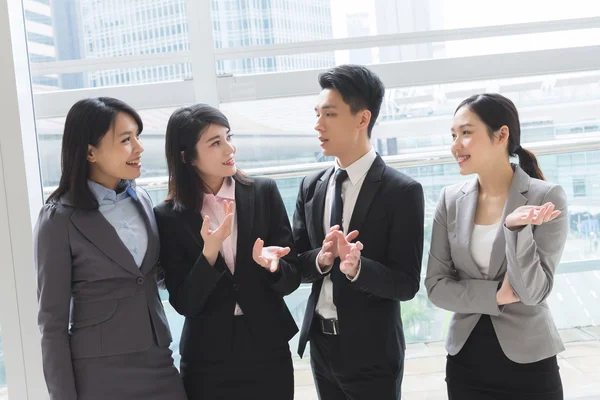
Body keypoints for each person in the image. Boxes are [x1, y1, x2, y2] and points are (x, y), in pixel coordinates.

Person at [34, 97, 186, 400]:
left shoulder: (141, 199)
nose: (139, 148)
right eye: (126, 139)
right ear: (90, 151)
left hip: (158, 363)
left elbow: (150, 276)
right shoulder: (58, 219)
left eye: (138, 137)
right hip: (99, 375)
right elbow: (51, 325)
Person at [293, 64, 425, 399]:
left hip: (373, 354)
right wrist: (321, 260)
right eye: (317, 113)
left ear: (362, 119)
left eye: (330, 114)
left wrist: (358, 268)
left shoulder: (402, 191)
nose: (318, 125)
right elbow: (297, 262)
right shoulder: (311, 186)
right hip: (320, 347)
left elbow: (407, 283)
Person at [426, 93, 568, 399]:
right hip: (466, 362)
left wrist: (516, 229)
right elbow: (436, 286)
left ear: (501, 135)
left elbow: (532, 292)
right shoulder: (450, 200)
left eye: (465, 133)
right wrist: (497, 295)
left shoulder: (546, 197)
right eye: (453, 135)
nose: (455, 145)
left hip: (530, 361)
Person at [154, 104, 300, 400]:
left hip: (267, 350)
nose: (229, 148)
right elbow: (184, 303)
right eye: (215, 143)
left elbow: (292, 278)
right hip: (208, 359)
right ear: (187, 157)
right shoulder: (168, 216)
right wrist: (208, 254)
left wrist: (274, 267)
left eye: (228, 137)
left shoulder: (264, 192)